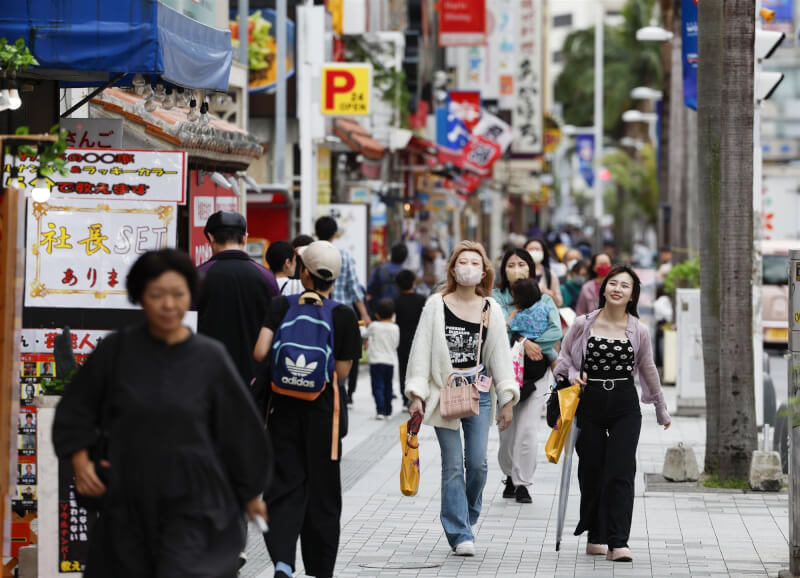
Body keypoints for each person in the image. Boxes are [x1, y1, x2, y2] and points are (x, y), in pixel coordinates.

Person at [52, 249, 271, 577]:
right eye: (157, 295)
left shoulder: (210, 358)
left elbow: (239, 428)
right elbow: (76, 409)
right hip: (128, 497)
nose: (169, 305)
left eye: (178, 294)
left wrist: (251, 492)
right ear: (140, 296)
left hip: (194, 499)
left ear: (191, 296)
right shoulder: (116, 351)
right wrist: (81, 462)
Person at [253, 241, 361, 578]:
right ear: (334, 277)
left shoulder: (279, 305)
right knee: (323, 491)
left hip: (281, 410)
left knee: (283, 483)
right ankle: (320, 568)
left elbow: (259, 352)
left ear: (303, 271)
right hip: (323, 414)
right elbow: (341, 373)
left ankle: (283, 560)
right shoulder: (343, 314)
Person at [405, 241, 519, 556]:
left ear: (484, 272)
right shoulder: (435, 305)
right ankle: (459, 532)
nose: (468, 267)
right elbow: (421, 350)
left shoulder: (490, 308)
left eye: (474, 263)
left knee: (479, 464)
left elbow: (499, 356)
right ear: (453, 269)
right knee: (453, 465)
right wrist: (417, 393)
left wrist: (507, 398)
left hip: (480, 394)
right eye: (462, 262)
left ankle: (466, 517)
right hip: (445, 392)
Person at [555, 264, 671, 562]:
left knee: (621, 471)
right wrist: (571, 377)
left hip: (624, 403)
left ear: (632, 295)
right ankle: (596, 533)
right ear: (603, 288)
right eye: (613, 283)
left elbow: (648, 369)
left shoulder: (639, 330)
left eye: (625, 286)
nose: (618, 289)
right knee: (591, 470)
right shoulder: (582, 324)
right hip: (589, 401)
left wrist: (660, 407)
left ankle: (618, 541)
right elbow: (565, 359)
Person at [492, 249, 561, 504]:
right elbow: (496, 333)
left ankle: (522, 482)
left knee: (528, 429)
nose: (516, 267)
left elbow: (555, 333)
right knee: (507, 432)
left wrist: (534, 345)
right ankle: (509, 473)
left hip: (536, 371)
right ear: (503, 269)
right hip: (505, 373)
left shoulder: (545, 300)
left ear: (532, 268)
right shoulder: (495, 299)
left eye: (522, 263)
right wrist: (522, 341)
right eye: (511, 264)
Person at [197, 210, 279, 388]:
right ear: (245, 239)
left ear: (210, 238)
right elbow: (274, 326)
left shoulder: (198, 276)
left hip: (208, 375)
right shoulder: (266, 277)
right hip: (255, 378)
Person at [315, 217, 370, 407]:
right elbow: (354, 289)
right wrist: (364, 314)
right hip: (340, 314)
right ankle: (340, 391)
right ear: (334, 234)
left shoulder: (309, 254)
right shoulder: (344, 256)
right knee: (343, 352)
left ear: (316, 233)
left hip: (315, 311)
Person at [394, 269, 427, 406]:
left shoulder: (395, 301)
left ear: (397, 285)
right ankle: (417, 393)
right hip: (418, 339)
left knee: (403, 368)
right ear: (414, 283)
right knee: (418, 367)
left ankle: (404, 396)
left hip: (401, 340)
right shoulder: (422, 300)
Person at [366, 299, 400, 420]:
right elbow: (396, 343)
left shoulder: (374, 326)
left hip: (376, 360)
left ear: (376, 314)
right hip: (389, 361)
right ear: (393, 314)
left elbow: (365, 334)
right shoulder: (395, 328)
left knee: (377, 386)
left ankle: (380, 410)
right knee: (388, 386)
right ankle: (388, 410)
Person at [524, 237, 563, 307]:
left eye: (537, 249)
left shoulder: (549, 274)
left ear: (543, 252)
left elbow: (559, 302)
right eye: (531, 249)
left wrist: (550, 295)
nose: (534, 251)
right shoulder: (520, 272)